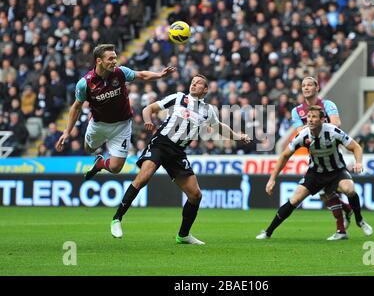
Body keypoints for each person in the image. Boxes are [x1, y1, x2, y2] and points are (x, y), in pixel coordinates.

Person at [110, 74, 251, 244]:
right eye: (192, 82)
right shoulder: (178, 98)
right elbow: (149, 109)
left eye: (198, 83)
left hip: (178, 152)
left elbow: (219, 127)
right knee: (144, 177)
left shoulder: (208, 111)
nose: (194, 84)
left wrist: (238, 136)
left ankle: (183, 235)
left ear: (205, 89)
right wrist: (148, 121)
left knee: (195, 195)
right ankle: (117, 219)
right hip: (161, 144)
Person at [55, 44, 176, 179]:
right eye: (110, 59)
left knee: (116, 168)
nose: (114, 61)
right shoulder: (85, 83)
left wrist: (159, 75)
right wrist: (67, 131)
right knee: (89, 149)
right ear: (99, 61)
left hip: (122, 126)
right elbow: (76, 107)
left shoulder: (120, 72)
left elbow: (142, 75)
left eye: (115, 58)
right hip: (99, 125)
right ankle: (97, 146)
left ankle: (100, 163)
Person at [257, 105, 373, 240]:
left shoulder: (333, 131)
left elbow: (356, 147)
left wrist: (358, 162)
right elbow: (284, 156)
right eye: (309, 117)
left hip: (337, 171)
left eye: (314, 117)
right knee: (295, 199)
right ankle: (268, 232)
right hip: (315, 173)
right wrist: (272, 179)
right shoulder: (303, 136)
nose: (310, 120)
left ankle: (360, 220)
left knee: (350, 189)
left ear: (322, 120)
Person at [291, 76, 354, 239]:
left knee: (328, 192)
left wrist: (314, 126)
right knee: (325, 195)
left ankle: (342, 226)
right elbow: (301, 133)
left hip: (333, 154)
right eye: (303, 85)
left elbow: (336, 124)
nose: (306, 88)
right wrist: (313, 126)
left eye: (309, 85)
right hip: (316, 158)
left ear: (317, 87)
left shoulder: (327, 105)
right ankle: (346, 213)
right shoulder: (297, 111)